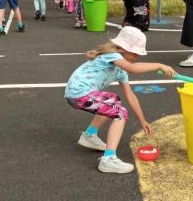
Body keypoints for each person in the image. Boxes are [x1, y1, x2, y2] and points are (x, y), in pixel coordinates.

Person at [65, 26, 176, 174]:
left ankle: (89, 135)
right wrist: (159, 65)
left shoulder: (120, 70)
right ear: (121, 47)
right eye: (134, 53)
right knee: (119, 112)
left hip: (77, 94)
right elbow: (133, 68)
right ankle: (108, 160)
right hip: (79, 93)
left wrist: (142, 120)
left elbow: (130, 96)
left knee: (113, 101)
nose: (136, 57)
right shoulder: (111, 55)